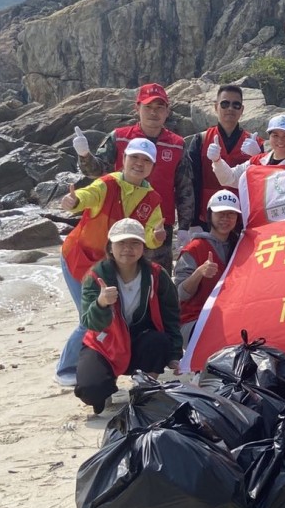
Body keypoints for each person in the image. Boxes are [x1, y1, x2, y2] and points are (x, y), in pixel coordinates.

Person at [55, 138, 166, 386]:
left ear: (153, 166)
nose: (139, 164)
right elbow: (87, 195)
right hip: (79, 258)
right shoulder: (107, 184)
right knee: (90, 317)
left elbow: (150, 234)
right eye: (134, 158)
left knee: (107, 316)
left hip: (109, 266)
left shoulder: (152, 199)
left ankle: (102, 361)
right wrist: (74, 201)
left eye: (146, 160)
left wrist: (157, 238)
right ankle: (66, 369)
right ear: (124, 159)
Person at [73, 83, 194, 271]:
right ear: (137, 108)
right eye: (148, 107)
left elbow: (184, 188)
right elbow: (96, 172)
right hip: (119, 222)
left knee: (157, 278)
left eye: (159, 107)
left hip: (159, 225)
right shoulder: (119, 137)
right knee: (117, 277)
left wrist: (185, 227)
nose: (154, 113)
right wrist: (84, 155)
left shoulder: (178, 144)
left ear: (167, 111)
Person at [76, 218, 182, 415]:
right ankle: (105, 388)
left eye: (134, 243)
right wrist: (101, 304)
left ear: (143, 247)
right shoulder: (95, 276)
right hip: (105, 343)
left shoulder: (157, 274)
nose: (128, 249)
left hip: (141, 340)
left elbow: (171, 316)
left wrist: (175, 354)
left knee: (159, 341)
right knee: (91, 392)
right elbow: (89, 322)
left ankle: (145, 388)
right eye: (121, 243)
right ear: (110, 246)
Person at [184, 85, 264, 222]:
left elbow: (263, 183)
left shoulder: (255, 143)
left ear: (242, 110)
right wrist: (192, 221)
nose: (230, 109)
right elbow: (191, 182)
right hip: (207, 216)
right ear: (216, 107)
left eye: (236, 105)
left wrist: (259, 157)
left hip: (241, 216)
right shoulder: (201, 140)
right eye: (225, 104)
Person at [174, 189, 241, 344]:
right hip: (195, 320)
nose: (225, 219)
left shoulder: (241, 246)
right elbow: (180, 295)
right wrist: (199, 273)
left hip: (231, 316)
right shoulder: (194, 249)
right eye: (220, 214)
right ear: (209, 215)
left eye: (231, 214)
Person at [210, 114, 285, 183]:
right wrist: (217, 161)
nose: (280, 140)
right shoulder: (256, 161)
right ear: (269, 137)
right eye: (275, 135)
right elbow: (230, 178)